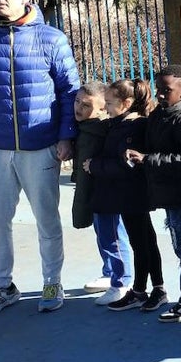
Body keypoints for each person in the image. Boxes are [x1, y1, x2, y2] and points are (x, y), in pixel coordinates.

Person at [0, 0, 81, 317]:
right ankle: (2, 286)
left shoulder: (51, 39)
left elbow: (69, 91)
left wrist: (65, 137)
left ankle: (51, 281)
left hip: (41, 146)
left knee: (46, 219)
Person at [124, 64, 181, 321]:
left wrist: (149, 159)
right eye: (159, 90)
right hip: (166, 192)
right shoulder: (160, 114)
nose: (161, 95)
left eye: (167, 90)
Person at [84, 80, 161, 312]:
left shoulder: (134, 126)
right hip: (127, 194)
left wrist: (95, 166)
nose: (106, 107)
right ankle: (153, 288)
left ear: (126, 103)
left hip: (133, 194)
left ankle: (142, 289)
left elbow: (127, 164)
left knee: (142, 243)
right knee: (145, 241)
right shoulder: (119, 124)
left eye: (109, 103)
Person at [71, 81, 134, 304]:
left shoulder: (103, 130)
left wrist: (95, 167)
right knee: (103, 233)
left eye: (86, 105)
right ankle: (110, 274)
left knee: (113, 236)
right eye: (77, 101)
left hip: (108, 193)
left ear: (102, 110)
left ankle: (122, 283)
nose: (78, 108)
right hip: (96, 192)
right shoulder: (85, 128)